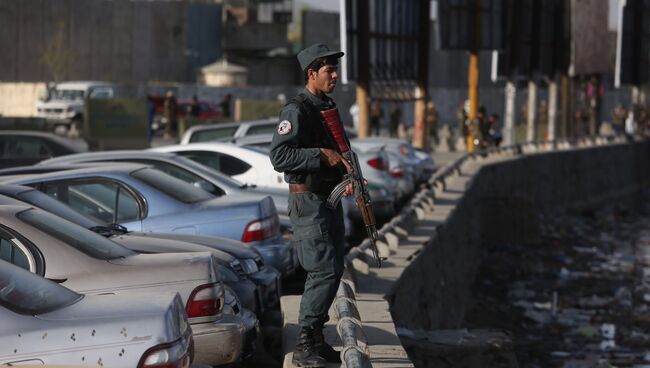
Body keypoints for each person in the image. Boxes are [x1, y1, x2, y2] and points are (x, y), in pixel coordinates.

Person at [269, 43, 351, 368]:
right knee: (323, 269)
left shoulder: (325, 106)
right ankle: (306, 342)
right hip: (308, 201)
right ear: (311, 73)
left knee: (334, 268)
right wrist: (320, 155)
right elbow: (279, 156)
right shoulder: (296, 110)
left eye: (335, 69)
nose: (334, 75)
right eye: (328, 70)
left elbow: (339, 149)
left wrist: (347, 172)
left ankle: (317, 338)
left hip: (327, 198)